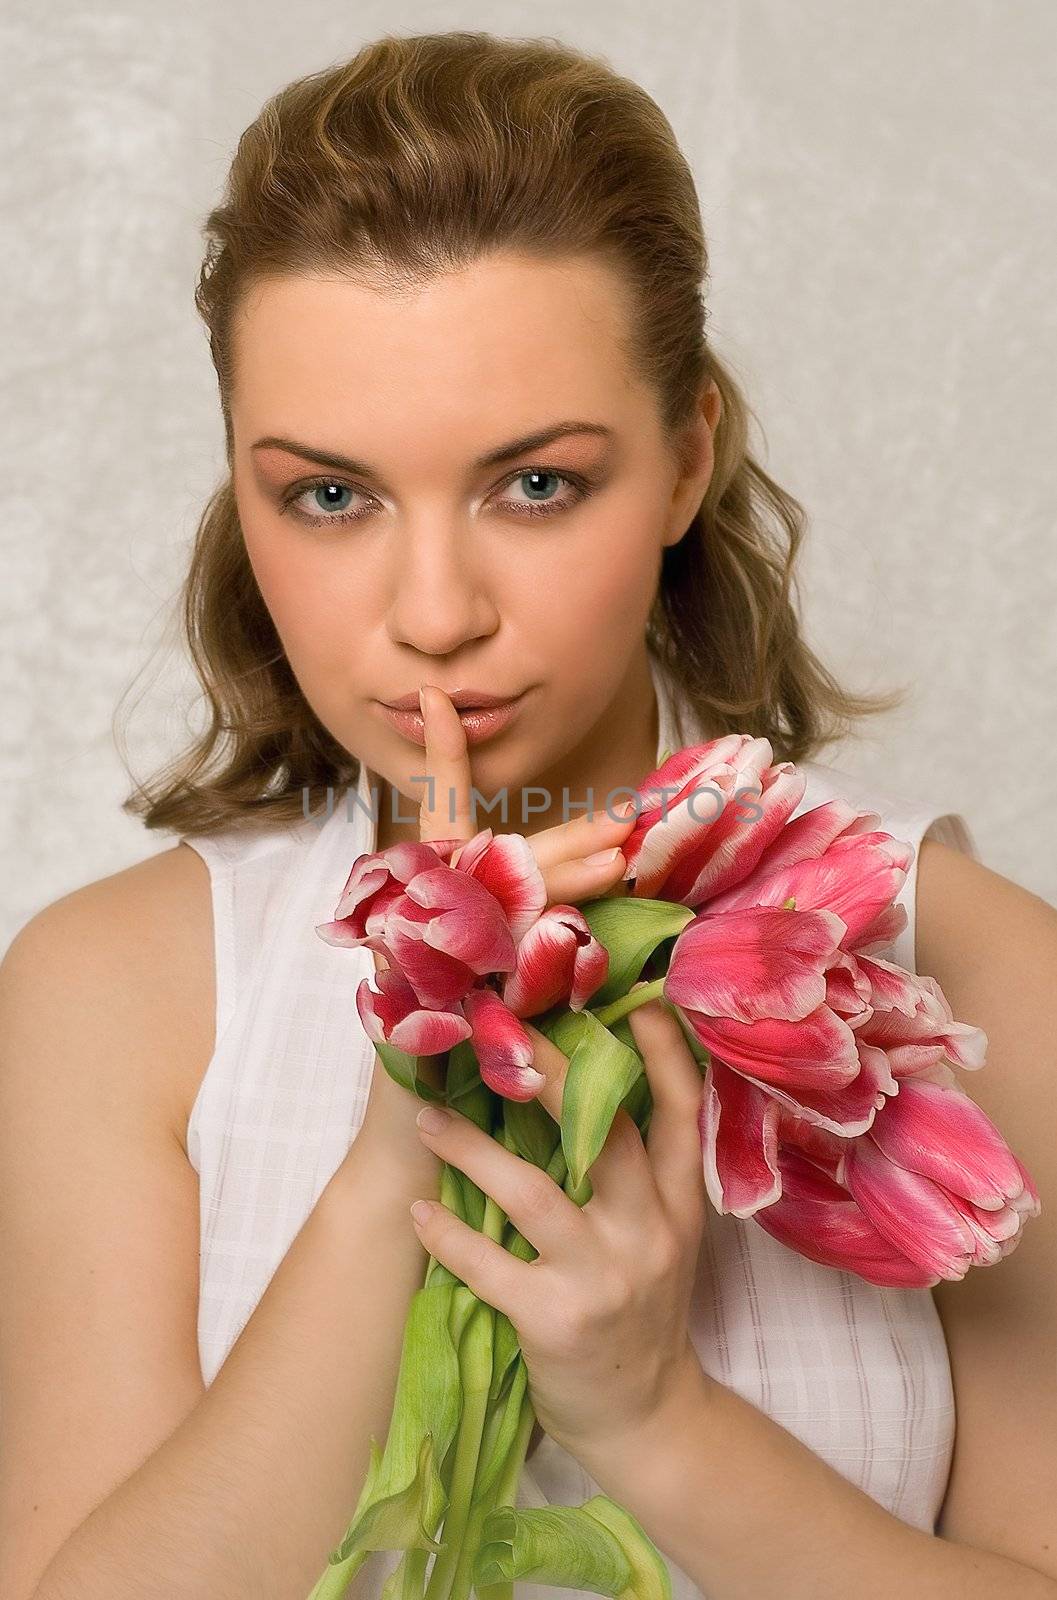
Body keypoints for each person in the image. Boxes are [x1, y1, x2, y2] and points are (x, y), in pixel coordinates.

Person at [1, 28, 1054, 1600]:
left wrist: (653, 1418)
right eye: (331, 496)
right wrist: (389, 1173)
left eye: (536, 485)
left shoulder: (960, 961)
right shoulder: (112, 993)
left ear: (688, 456)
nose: (433, 614)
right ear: (244, 490)